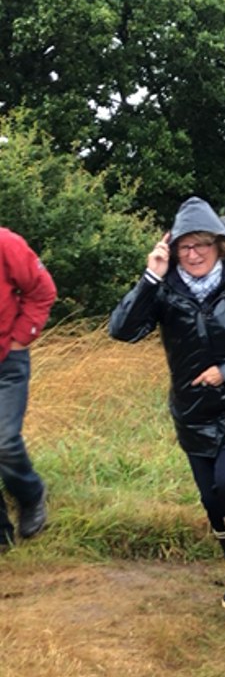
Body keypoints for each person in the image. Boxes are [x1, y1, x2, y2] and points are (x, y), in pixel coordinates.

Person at [109, 197, 225, 616]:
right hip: (194, 410)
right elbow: (122, 330)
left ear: (220, 244)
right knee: (212, 501)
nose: (193, 255)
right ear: (172, 250)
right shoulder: (165, 289)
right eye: (184, 247)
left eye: (202, 245)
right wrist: (150, 277)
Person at [0, 227, 56, 552]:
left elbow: (42, 290)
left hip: (7, 360)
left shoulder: (6, 244)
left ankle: (31, 493)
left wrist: (22, 338)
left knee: (4, 441)